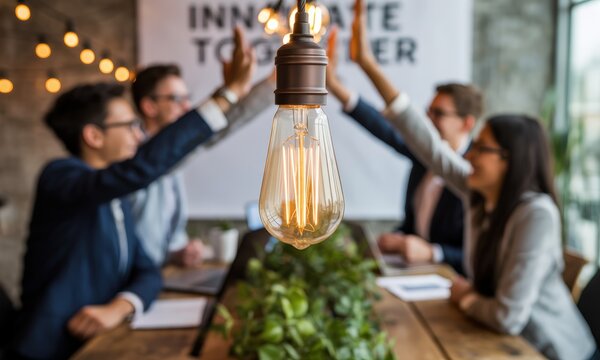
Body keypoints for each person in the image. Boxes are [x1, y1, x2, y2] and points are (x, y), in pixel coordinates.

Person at [346, 1, 597, 359]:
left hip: (549, 351)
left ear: (511, 162)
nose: (471, 155)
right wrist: (368, 67)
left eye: (482, 148)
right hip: (493, 340)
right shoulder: (480, 192)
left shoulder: (536, 214)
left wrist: (466, 297)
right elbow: (427, 145)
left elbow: (508, 317)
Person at [11, 27, 255, 359]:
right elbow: (138, 171)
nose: (138, 136)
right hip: (52, 349)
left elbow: (148, 271)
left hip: (103, 342)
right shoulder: (60, 177)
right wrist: (226, 94)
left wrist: (119, 306)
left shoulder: (115, 196)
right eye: (129, 126)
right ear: (94, 136)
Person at [326, 28, 481, 273]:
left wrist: (433, 251)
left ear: (467, 123)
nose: (428, 120)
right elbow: (383, 126)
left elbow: (481, 257)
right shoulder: (422, 159)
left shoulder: (477, 174)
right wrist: (396, 239)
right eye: (428, 111)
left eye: (438, 114)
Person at [130, 63, 275, 267]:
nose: (187, 107)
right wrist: (265, 85)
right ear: (149, 106)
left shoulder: (170, 158)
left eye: (187, 98)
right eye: (176, 99)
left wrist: (177, 252)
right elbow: (205, 134)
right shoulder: (137, 157)